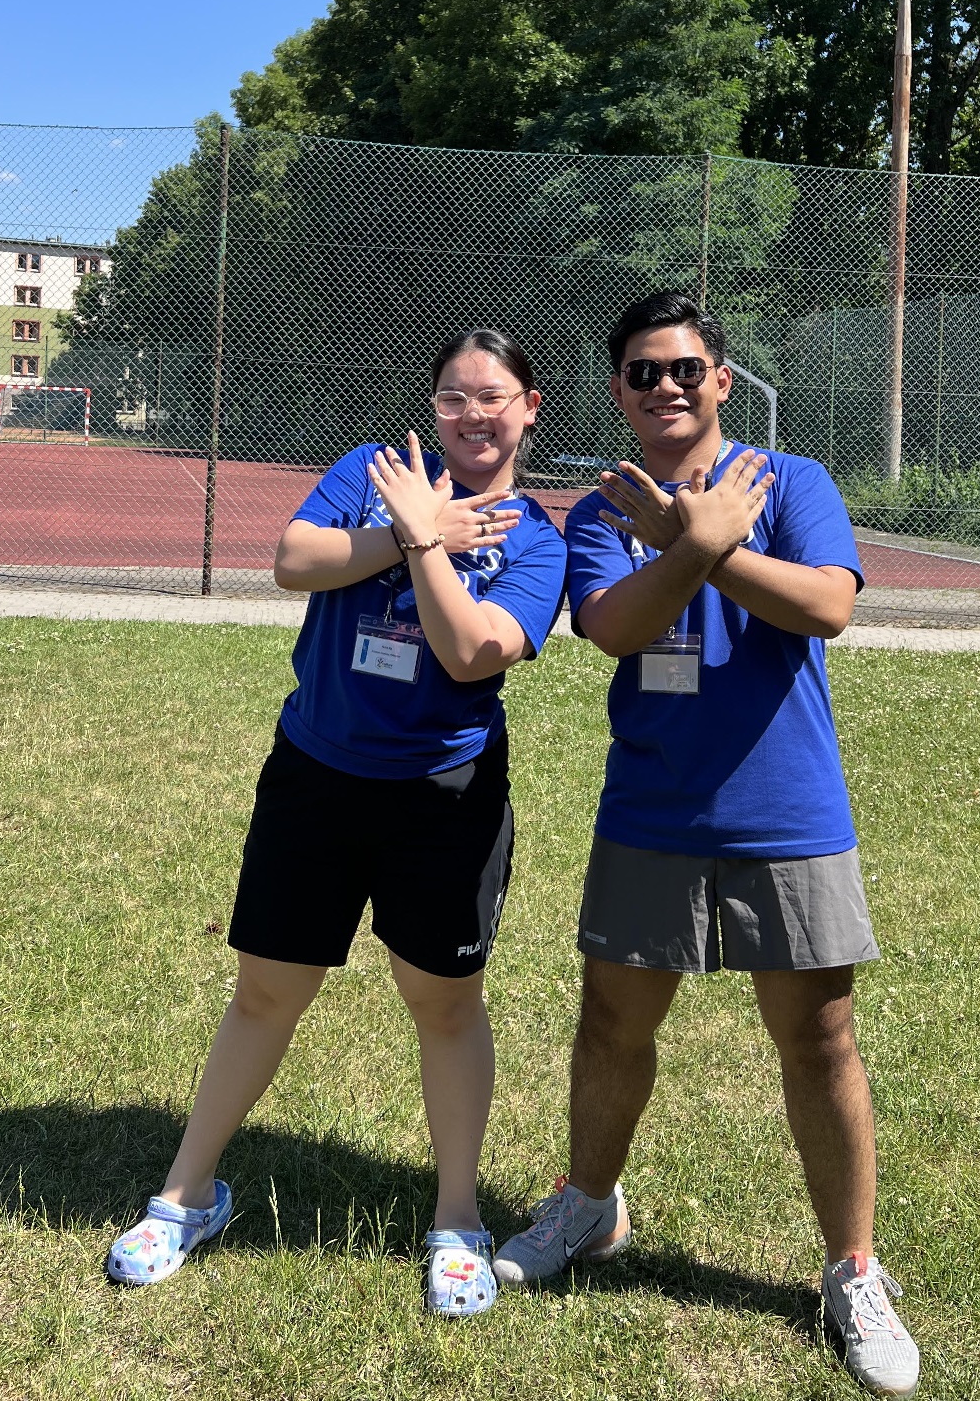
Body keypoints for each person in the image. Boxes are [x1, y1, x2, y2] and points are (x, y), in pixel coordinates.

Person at [493, 291, 920, 1396]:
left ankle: (851, 1270)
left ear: (721, 381)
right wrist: (691, 546)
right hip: (652, 814)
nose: (664, 387)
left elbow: (825, 606)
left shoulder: (793, 484)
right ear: (619, 392)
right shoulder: (601, 510)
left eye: (684, 369)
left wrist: (700, 545)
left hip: (788, 814)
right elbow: (613, 628)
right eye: (641, 372)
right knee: (609, 1024)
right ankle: (587, 1207)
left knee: (818, 1041)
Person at [107, 328, 566, 1318]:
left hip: (444, 798)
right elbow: (291, 559)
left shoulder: (537, 537)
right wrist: (402, 527)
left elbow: (469, 653)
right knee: (265, 992)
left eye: (493, 397)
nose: (471, 415)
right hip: (314, 777)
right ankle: (186, 1196)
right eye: (451, 396)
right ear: (432, 406)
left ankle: (455, 1219)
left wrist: (424, 541)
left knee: (443, 1004)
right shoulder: (375, 470)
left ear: (530, 407)